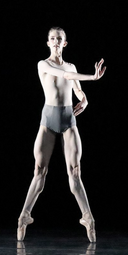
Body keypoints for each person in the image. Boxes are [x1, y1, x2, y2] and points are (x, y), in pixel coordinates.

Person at [17, 27, 105, 242]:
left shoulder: (71, 65)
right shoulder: (43, 64)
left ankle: (88, 219)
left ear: (65, 43)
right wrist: (92, 77)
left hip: (68, 121)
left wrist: (84, 98)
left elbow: (76, 87)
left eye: (59, 39)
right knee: (39, 171)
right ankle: (23, 217)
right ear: (48, 42)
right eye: (52, 39)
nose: (55, 42)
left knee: (75, 172)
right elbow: (64, 75)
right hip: (48, 121)